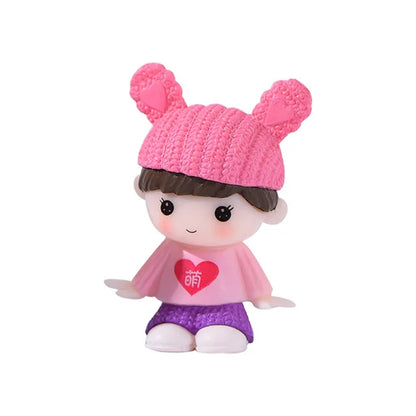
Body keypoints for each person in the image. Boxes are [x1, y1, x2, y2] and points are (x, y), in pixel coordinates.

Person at [105, 63, 312, 353]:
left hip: (225, 307)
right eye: (167, 207)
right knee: (166, 333)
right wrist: (137, 287)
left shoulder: (234, 251)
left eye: (222, 213)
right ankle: (174, 328)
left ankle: (224, 329)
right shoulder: (172, 247)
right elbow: (153, 270)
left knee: (221, 335)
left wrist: (263, 297)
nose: (192, 225)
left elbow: (252, 276)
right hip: (174, 306)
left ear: (267, 208)